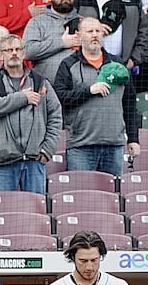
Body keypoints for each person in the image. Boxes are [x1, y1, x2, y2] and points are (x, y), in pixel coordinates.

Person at [53, 16, 139, 177]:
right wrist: (89, 91)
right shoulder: (68, 65)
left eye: (98, 31)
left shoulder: (118, 65)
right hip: (81, 146)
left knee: (112, 196)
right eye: (90, 31)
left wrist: (133, 138)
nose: (95, 35)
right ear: (78, 35)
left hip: (114, 145)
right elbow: (60, 98)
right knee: (82, 196)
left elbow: (129, 104)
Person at [0, 34, 62, 195]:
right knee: (1, 213)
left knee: (35, 213)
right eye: (8, 50)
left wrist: (47, 149)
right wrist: (22, 98)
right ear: (0, 55)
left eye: (17, 49)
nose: (14, 53)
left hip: (34, 161)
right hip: (2, 162)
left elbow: (55, 116)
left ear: (23, 53)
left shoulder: (40, 81)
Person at [23, 0, 82, 84]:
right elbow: (27, 51)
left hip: (80, 89)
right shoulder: (37, 22)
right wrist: (62, 43)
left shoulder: (84, 22)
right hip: (48, 89)